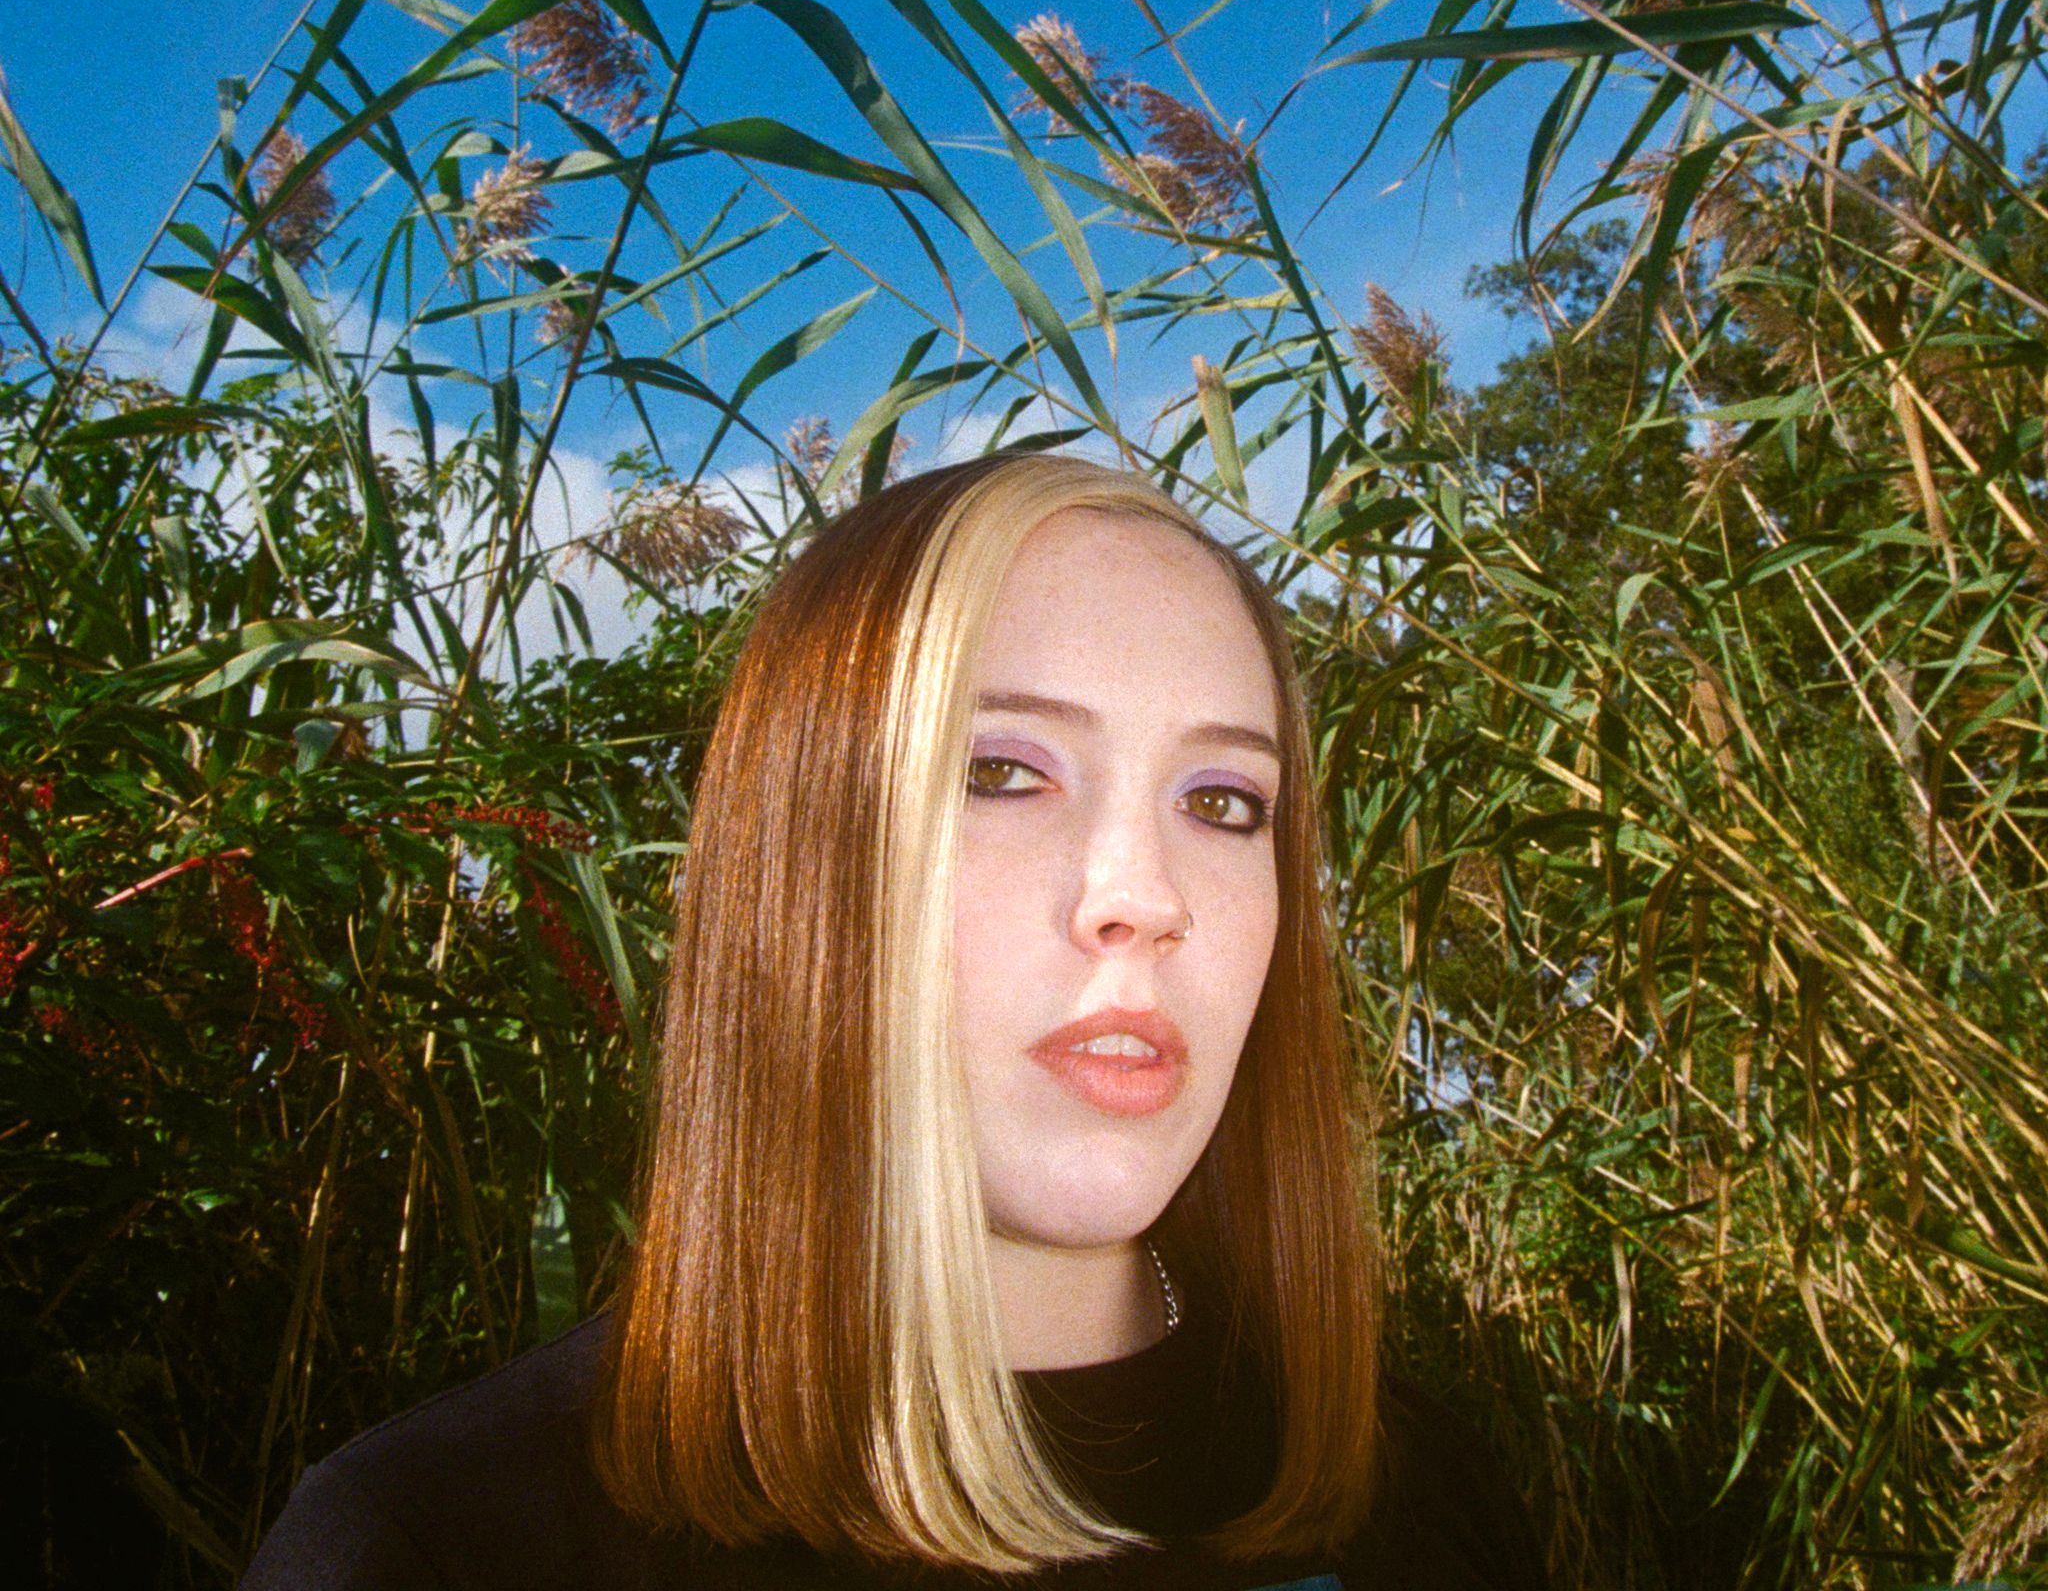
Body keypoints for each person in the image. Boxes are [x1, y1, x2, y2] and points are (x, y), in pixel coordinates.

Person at [244, 453, 1547, 1589]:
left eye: (1222, 803)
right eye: (1002, 773)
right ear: (805, 859)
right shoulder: (441, 1545)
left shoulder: (1419, 1495)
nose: (1145, 898)